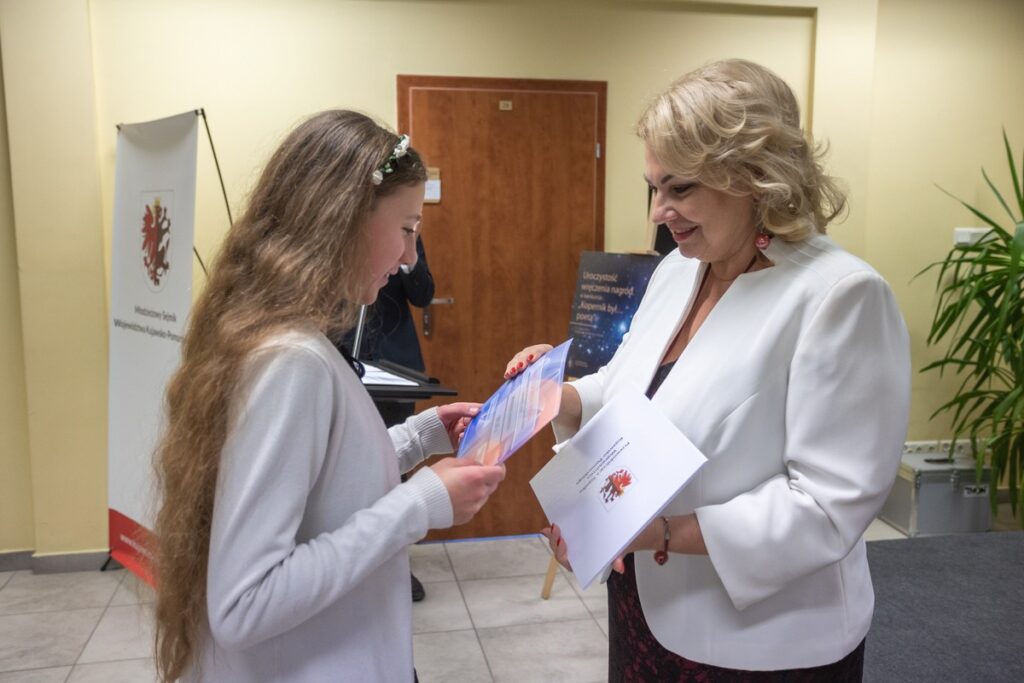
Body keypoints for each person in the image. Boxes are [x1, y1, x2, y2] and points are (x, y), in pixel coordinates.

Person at [506, 59, 910, 681]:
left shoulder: (840, 296)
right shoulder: (678, 270)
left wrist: (662, 533)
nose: (658, 211)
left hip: (762, 639)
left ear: (755, 176)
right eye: (654, 188)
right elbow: (629, 387)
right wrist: (561, 398)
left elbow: (828, 504)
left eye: (680, 188)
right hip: (646, 604)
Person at [152, 110, 506, 683]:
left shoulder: (278, 337)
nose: (411, 258)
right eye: (407, 228)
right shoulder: (291, 360)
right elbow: (245, 603)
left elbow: (322, 483)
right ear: (343, 221)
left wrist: (420, 437)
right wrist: (418, 505)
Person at [342, 233, 435, 601]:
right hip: (343, 355)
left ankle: (396, 563)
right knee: (349, 465)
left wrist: (409, 255)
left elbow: (423, 294)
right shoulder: (341, 228)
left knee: (394, 468)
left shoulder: (406, 234)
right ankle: (355, 559)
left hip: (395, 366)